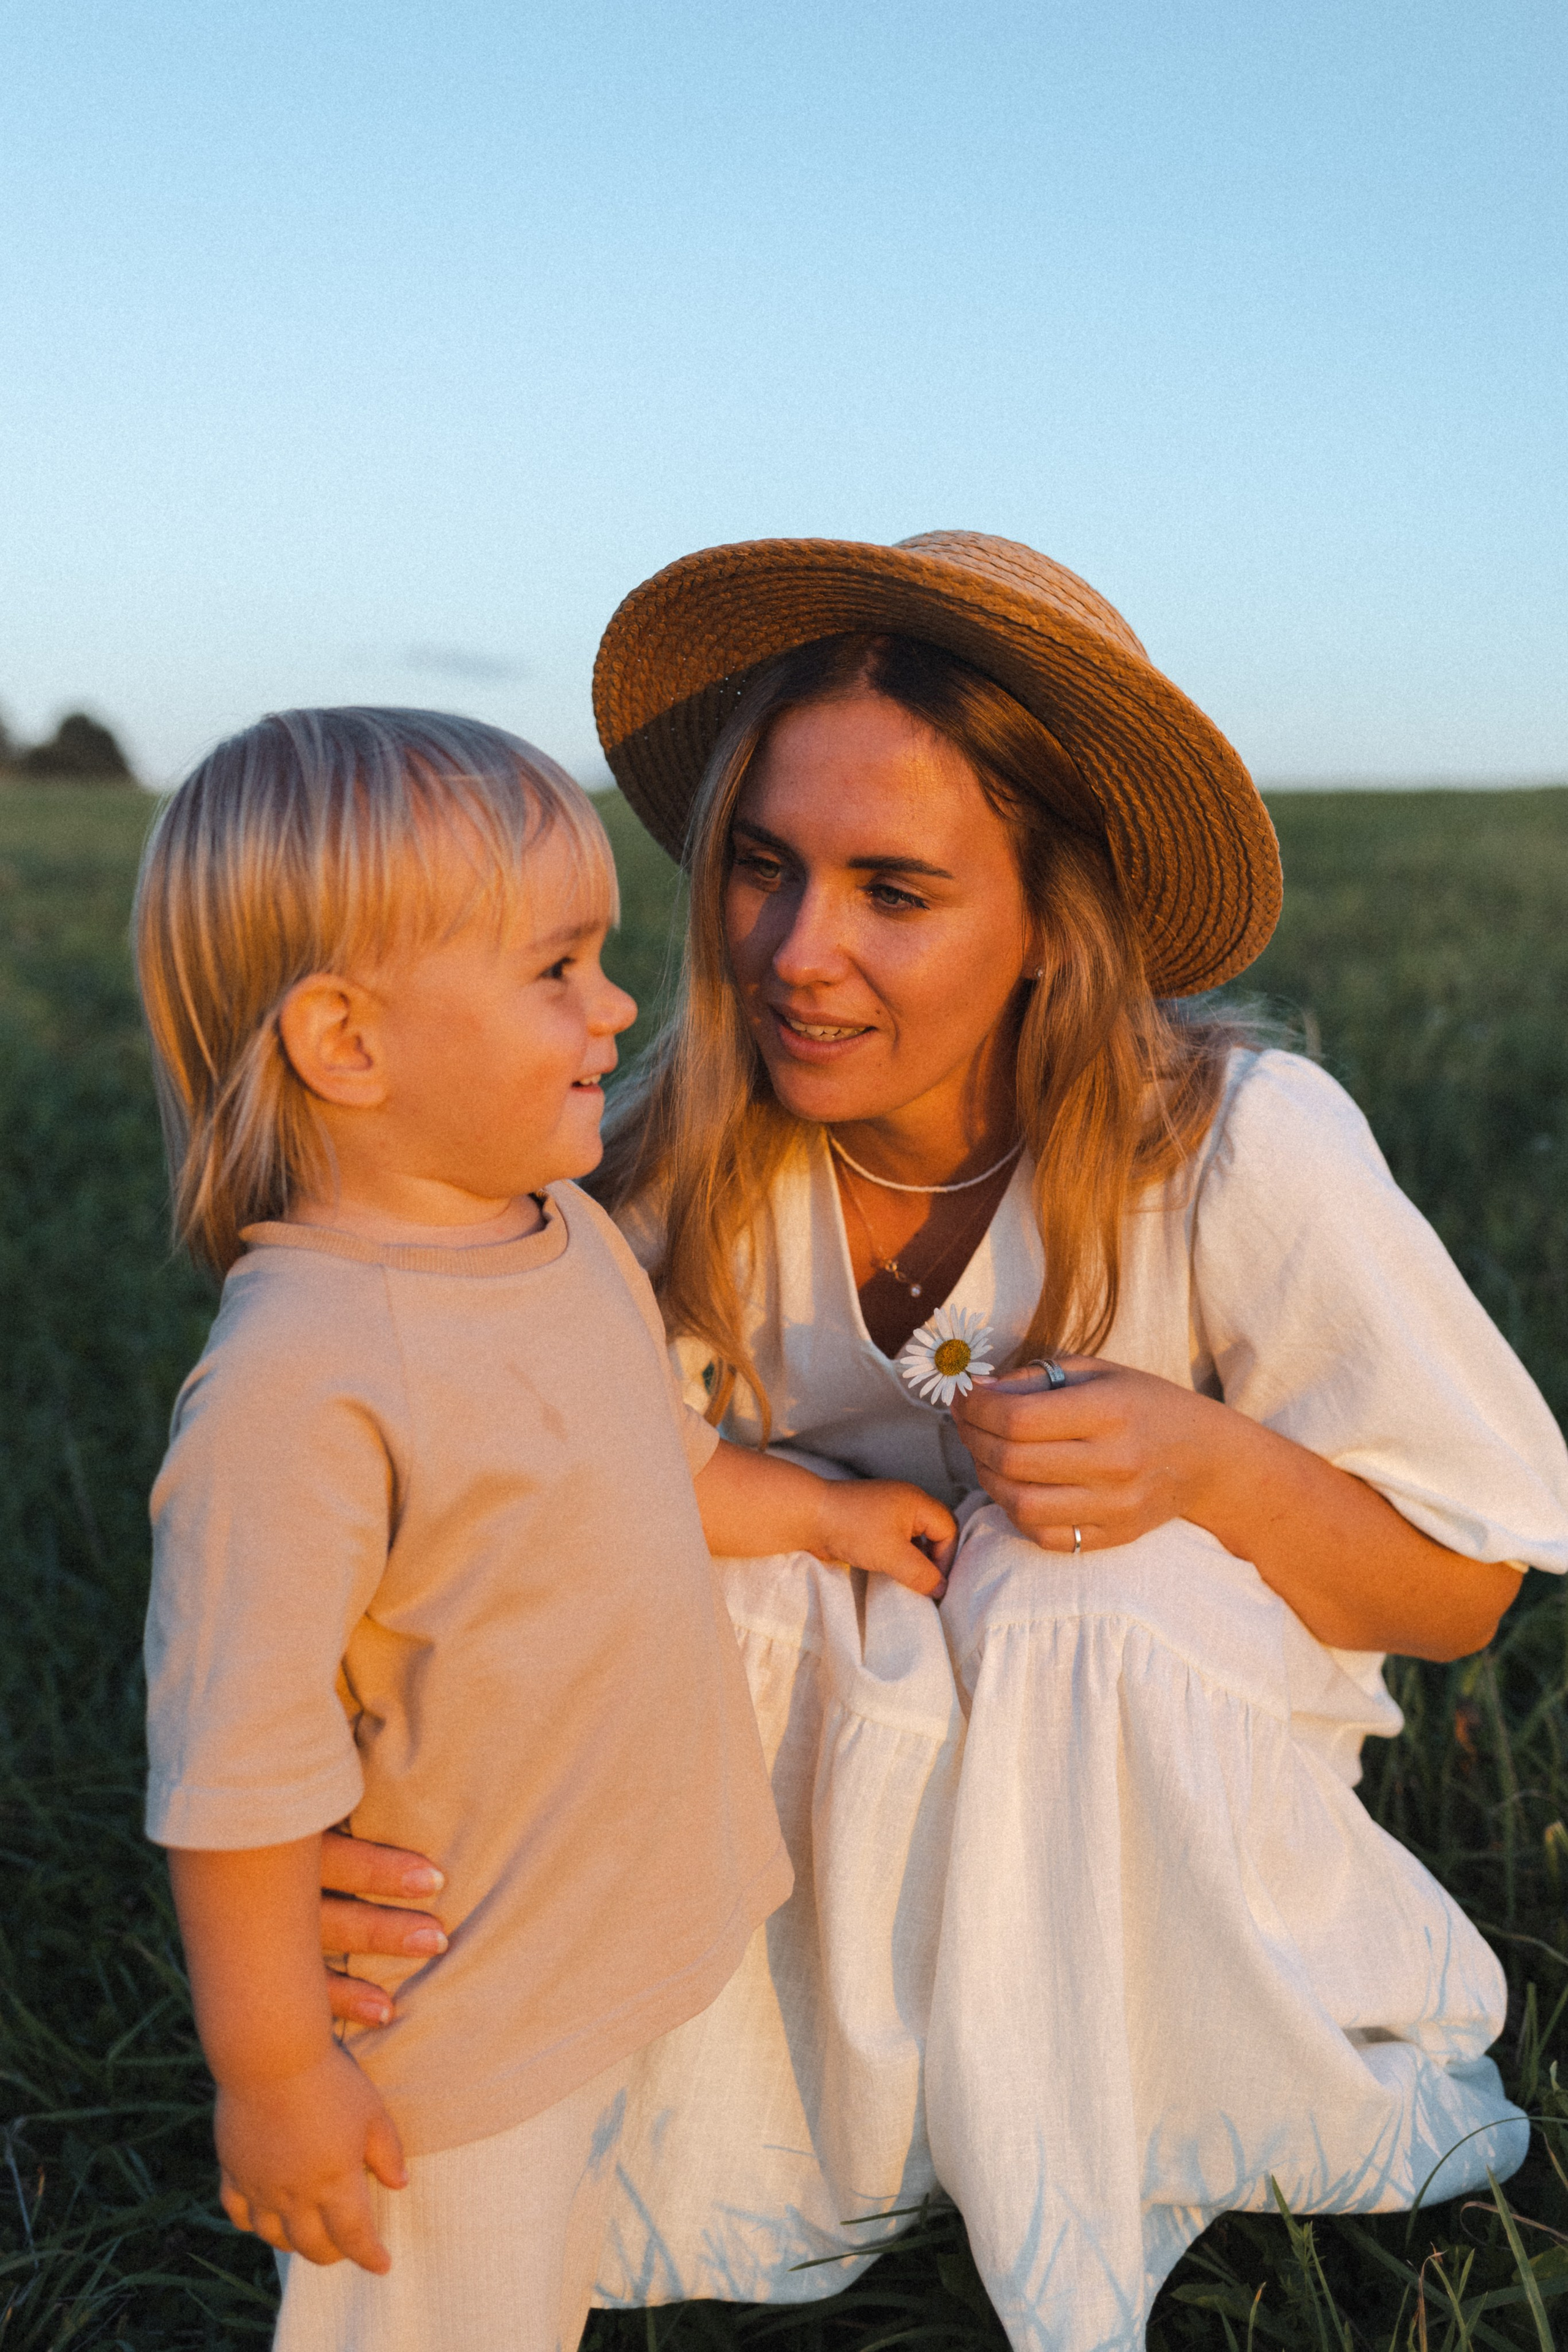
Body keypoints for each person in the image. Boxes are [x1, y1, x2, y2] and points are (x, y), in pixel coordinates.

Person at [312, 541, 1568, 2352]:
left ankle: (1157, 2096)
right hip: (844, 1857)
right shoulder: (673, 1171)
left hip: (1165, 1866)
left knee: (1085, 1579)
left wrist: (1211, 1468)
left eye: (894, 890)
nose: (794, 952)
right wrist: (357, 1811)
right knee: (707, 1549)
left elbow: (1463, 1592)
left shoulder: (1233, 1149)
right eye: (762, 865)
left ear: (1055, 917)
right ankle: (830, 2108)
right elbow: (476, 1527)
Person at [134, 707, 961, 2352]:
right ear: (348, 1043)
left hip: (601, 1934)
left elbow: (650, 1469)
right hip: (453, 2012)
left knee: (553, 2277)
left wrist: (828, 1512)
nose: (620, 1005)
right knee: (448, 2309)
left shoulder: (559, 1235)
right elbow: (235, 1774)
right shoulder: (301, 1382)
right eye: (556, 970)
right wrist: (280, 2073)